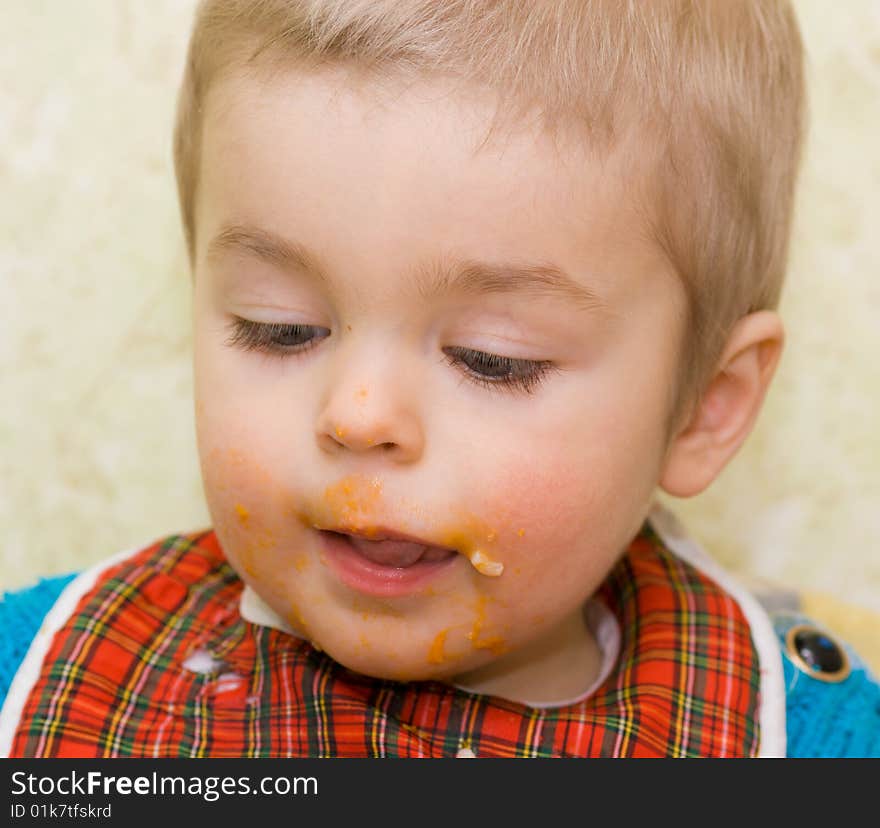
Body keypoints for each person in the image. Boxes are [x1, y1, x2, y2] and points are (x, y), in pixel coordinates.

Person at [1, 0, 878, 758]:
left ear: (704, 409)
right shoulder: (40, 675)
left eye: (493, 360)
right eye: (281, 330)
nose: (359, 415)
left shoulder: (798, 742)